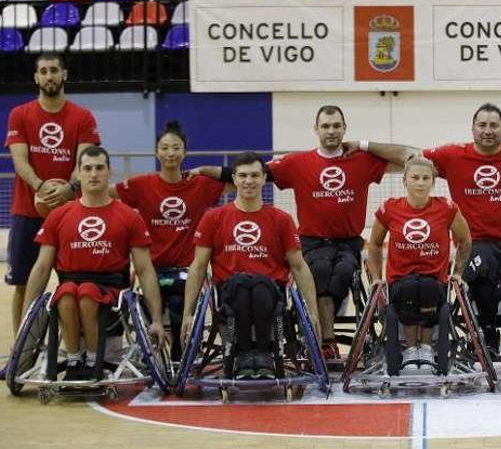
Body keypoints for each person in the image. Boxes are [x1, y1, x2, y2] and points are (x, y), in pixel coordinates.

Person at [353, 103, 501, 357]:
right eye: (482, 125)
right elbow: (410, 156)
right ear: (472, 129)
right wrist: (364, 145)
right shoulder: (453, 155)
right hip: (475, 243)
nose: (488, 130)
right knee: (482, 272)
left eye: (494, 125)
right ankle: (487, 336)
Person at [195, 105, 389, 361]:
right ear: (316, 129)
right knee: (318, 272)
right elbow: (251, 174)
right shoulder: (297, 162)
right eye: (325, 126)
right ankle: (323, 340)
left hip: (348, 244)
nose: (331, 131)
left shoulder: (361, 160)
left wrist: (364, 144)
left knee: (342, 274)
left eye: (336, 125)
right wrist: (201, 171)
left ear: (344, 128)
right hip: (313, 242)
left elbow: (409, 156)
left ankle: (324, 335)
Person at [21, 146, 165, 381]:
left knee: (87, 293)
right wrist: (28, 318)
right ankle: (74, 357)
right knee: (66, 293)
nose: (93, 174)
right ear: (78, 174)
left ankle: (92, 357)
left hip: (110, 291)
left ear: (109, 172)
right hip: (70, 286)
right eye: (87, 169)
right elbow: (41, 268)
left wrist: (157, 320)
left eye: (99, 168)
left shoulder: (129, 216)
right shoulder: (59, 215)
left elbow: (145, 270)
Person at [181, 152, 321, 380]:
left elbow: (300, 267)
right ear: (234, 179)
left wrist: (313, 312)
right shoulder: (213, 218)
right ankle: (244, 355)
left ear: (264, 178)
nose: (249, 181)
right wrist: (188, 313)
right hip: (230, 291)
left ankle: (262, 355)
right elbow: (197, 267)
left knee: (259, 286)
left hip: (270, 291)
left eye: (255, 175)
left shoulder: (281, 219)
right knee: (242, 285)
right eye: (243, 176)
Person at [5, 53, 101, 368]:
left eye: (54, 71)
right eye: (43, 71)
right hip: (27, 212)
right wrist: (42, 188)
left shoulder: (82, 117)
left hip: (70, 215)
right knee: (22, 284)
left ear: (64, 75)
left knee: (75, 285)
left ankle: (80, 354)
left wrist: (69, 190)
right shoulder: (20, 114)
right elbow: (19, 161)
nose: (49, 76)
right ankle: (21, 355)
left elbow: (84, 161)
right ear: (36, 78)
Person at [111, 121, 227, 360]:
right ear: (157, 152)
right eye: (165, 148)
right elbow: (104, 190)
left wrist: (205, 169)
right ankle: (158, 345)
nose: (170, 153)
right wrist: (69, 190)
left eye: (176, 148)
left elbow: (244, 180)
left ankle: (178, 351)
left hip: (186, 270)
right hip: (152, 270)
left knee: (176, 297)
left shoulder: (199, 185)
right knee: (153, 299)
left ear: (184, 152)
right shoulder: (141, 185)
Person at [366, 156, 471, 372]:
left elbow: (465, 240)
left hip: (434, 280)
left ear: (433, 181)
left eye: (426, 178)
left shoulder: (447, 207)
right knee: (409, 288)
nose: (421, 183)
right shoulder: (389, 208)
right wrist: (376, 277)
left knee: (427, 288)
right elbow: (375, 243)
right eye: (415, 178)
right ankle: (411, 347)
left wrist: (458, 272)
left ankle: (425, 346)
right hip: (400, 280)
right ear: (405, 180)